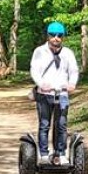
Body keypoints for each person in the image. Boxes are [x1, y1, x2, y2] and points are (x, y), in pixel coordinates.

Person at [29, 21, 79, 164]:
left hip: (62, 94)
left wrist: (72, 83)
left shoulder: (68, 53)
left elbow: (73, 70)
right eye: (53, 35)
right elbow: (34, 70)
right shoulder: (39, 51)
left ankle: (61, 154)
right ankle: (44, 155)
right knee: (44, 124)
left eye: (59, 35)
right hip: (44, 94)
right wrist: (41, 84)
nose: (56, 38)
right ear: (48, 36)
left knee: (61, 124)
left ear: (63, 37)